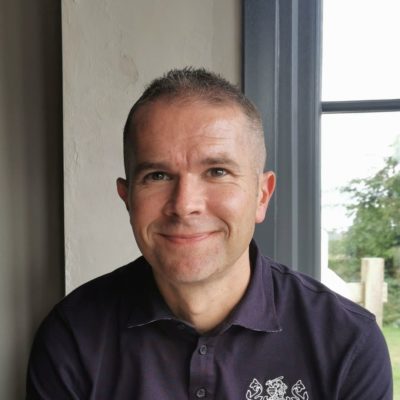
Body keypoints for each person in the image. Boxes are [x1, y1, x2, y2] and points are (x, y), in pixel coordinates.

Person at [26, 68, 392, 399]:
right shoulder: (72, 335)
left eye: (217, 171)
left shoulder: (347, 343)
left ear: (261, 195)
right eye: (157, 176)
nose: (185, 205)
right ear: (127, 198)